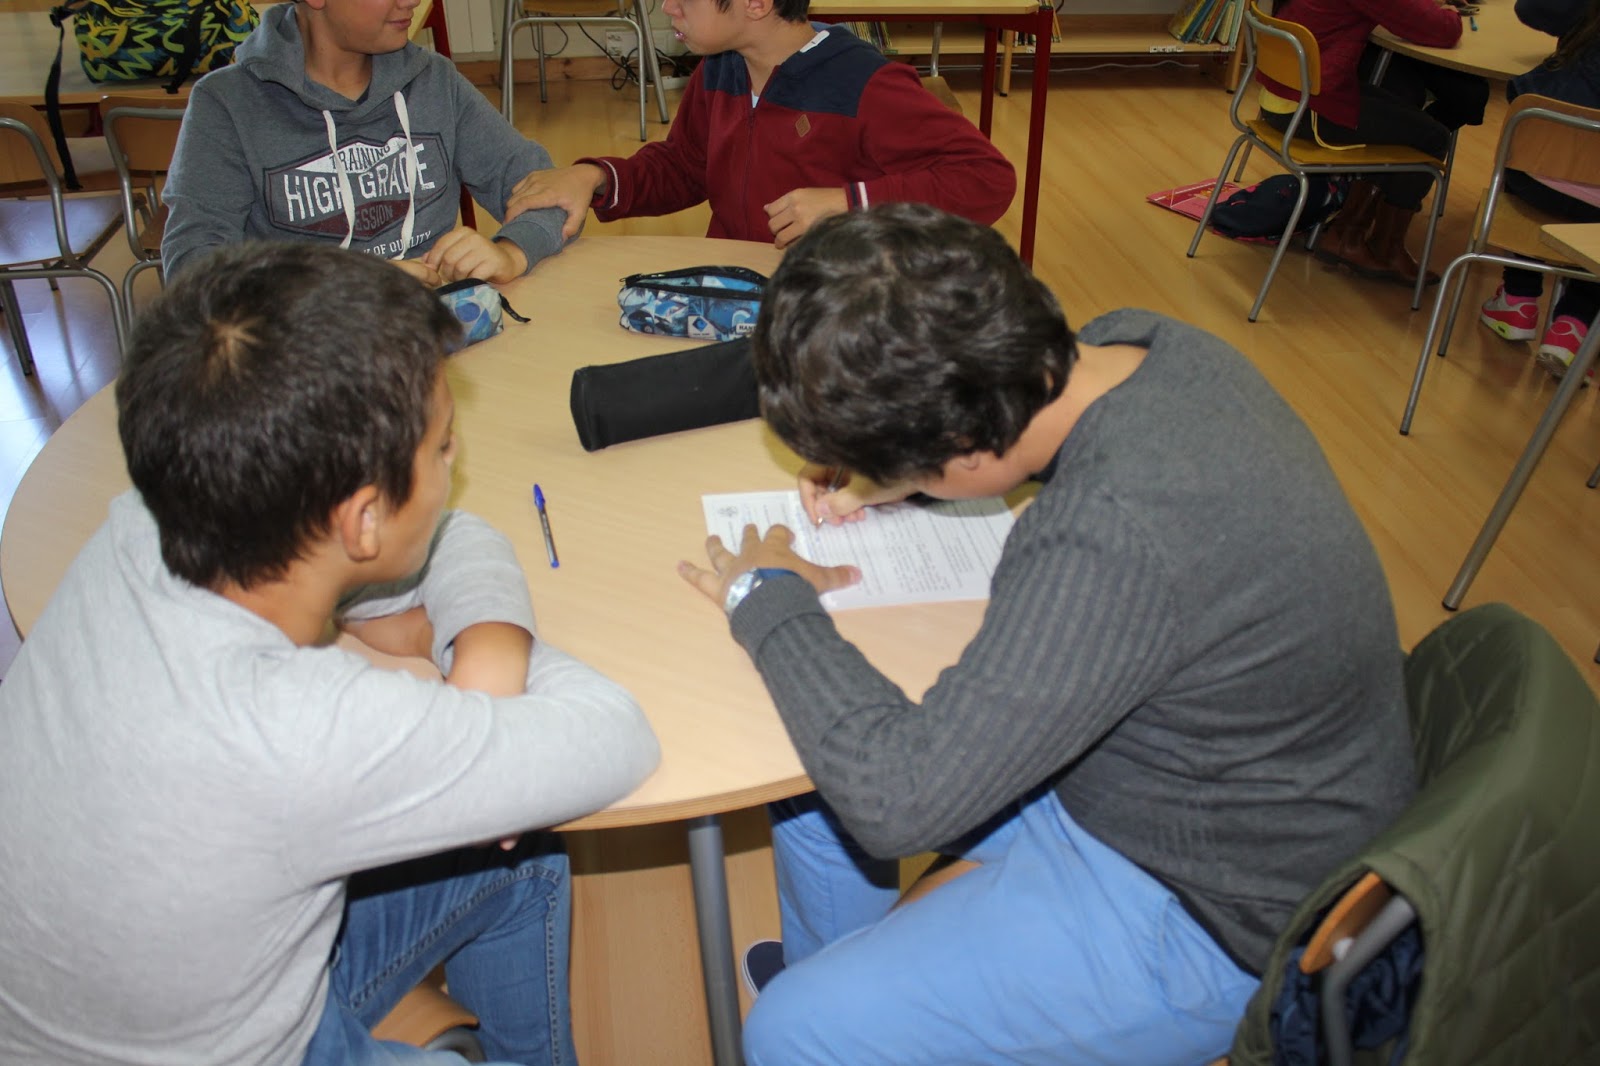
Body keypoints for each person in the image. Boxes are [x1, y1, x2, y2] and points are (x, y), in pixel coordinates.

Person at [678, 204, 1415, 1064]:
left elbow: (898, 802)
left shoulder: (1113, 530)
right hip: (1199, 783)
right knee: (811, 787)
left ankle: (854, 1025)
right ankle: (872, 997)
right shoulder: (1142, 347)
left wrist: (767, 596)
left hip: (1219, 909)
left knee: (792, 1029)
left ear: (962, 443)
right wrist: (904, 473)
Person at [0, 243, 660, 1066]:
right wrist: (487, 673)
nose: (455, 463)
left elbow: (451, 538)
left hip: (104, 1009)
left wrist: (477, 644)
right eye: (443, 448)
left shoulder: (153, 517)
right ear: (362, 521)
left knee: (517, 860)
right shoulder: (298, 728)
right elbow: (618, 735)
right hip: (232, 1051)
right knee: (522, 852)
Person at [501, 0, 1016, 248]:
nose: (668, 6)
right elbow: (686, 166)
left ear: (756, 4)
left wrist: (851, 205)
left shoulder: (865, 83)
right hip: (738, 293)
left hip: (833, 306)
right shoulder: (718, 70)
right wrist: (596, 177)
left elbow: (986, 178)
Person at [162, 0, 573, 286]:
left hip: (437, 332)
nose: (412, 2)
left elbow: (545, 187)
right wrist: (340, 287)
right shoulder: (226, 104)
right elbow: (193, 269)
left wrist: (510, 252)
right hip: (306, 348)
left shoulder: (435, 81)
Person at [1259, 0, 1468, 285]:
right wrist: (1450, 13)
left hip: (1286, 94)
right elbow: (1443, 30)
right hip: (1309, 109)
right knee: (1433, 138)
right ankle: (1381, 247)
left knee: (1404, 106)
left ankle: (1347, 231)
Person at [1478, 0, 1600, 379]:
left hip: (1537, 176)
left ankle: (1518, 298)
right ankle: (1573, 327)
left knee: (1519, 150)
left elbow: (1532, 9)